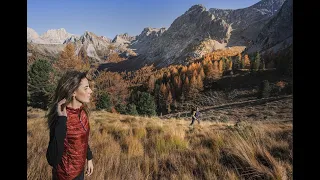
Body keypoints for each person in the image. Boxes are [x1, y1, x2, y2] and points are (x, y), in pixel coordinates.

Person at [46, 70, 94, 180]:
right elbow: (52, 159)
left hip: (80, 170)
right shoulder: (61, 118)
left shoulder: (82, 112)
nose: (90, 91)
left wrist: (89, 158)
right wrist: (62, 122)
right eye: (86, 88)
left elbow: (83, 139)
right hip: (65, 175)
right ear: (73, 92)